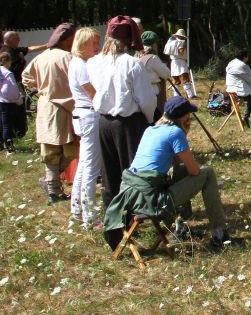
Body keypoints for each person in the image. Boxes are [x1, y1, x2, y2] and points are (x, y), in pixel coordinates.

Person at [103, 96, 243, 252]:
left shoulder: (150, 130)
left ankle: (180, 227)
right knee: (207, 173)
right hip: (151, 199)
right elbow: (194, 171)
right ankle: (220, 235)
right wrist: (184, 134)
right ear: (183, 117)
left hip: (131, 194)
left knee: (180, 172)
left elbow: (177, 167)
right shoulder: (175, 132)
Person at [89, 15, 156, 210]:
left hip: (104, 123)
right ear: (129, 39)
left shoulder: (93, 62)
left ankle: (113, 210)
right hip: (128, 123)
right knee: (133, 169)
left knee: (109, 170)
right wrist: (149, 119)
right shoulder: (132, 63)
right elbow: (146, 99)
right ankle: (135, 210)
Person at [22, 22, 78, 202]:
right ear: (68, 39)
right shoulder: (69, 58)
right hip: (65, 107)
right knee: (70, 148)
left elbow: (26, 77)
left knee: (51, 150)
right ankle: (52, 187)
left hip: (47, 106)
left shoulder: (42, 57)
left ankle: (51, 185)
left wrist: (41, 88)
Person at [68, 26, 102, 228]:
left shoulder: (78, 63)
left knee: (84, 164)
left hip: (83, 115)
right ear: (82, 45)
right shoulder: (80, 65)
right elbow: (92, 93)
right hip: (88, 115)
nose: (97, 47)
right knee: (91, 167)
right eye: (94, 43)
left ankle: (76, 209)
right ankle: (90, 217)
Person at [0, 30, 47, 138]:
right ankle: (16, 132)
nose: (19, 40)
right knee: (16, 108)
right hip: (12, 84)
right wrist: (22, 60)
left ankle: (16, 132)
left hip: (14, 84)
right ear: (10, 40)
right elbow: (12, 69)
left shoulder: (13, 49)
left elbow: (30, 49)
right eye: (17, 39)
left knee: (17, 108)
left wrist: (47, 45)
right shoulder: (6, 52)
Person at [0, 51, 23, 154]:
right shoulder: (8, 73)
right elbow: (11, 89)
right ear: (8, 61)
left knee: (0, 125)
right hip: (7, 103)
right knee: (7, 126)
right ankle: (9, 148)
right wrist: (18, 99)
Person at [138, 30, 173, 119]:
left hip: (140, 94)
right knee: (157, 119)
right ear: (154, 44)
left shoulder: (137, 56)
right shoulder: (153, 58)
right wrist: (163, 64)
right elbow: (167, 74)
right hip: (153, 94)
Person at [163, 28, 194, 99]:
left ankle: (176, 96)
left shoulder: (170, 43)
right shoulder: (182, 42)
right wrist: (184, 46)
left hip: (173, 62)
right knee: (185, 78)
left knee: (175, 79)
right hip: (181, 61)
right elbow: (181, 52)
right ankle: (190, 95)